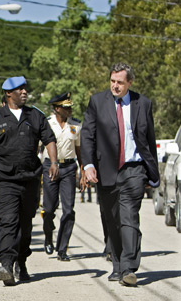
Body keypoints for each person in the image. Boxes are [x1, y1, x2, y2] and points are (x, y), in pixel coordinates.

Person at [80, 63, 159, 287]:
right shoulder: (97, 102)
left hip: (134, 169)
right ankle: (116, 264)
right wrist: (87, 165)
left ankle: (128, 268)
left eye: (120, 82)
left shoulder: (142, 103)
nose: (115, 86)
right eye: (112, 81)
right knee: (111, 219)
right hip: (105, 170)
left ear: (129, 83)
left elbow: (149, 140)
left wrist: (152, 173)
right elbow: (88, 136)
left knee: (129, 218)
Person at [0, 76, 58, 286]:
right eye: (19, 89)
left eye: (25, 89)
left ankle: (21, 261)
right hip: (5, 180)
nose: (24, 92)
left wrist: (54, 162)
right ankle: (6, 264)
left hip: (30, 179)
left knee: (25, 224)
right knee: (8, 222)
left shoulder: (35, 116)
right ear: (8, 93)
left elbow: (49, 139)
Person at [41, 92, 82, 261]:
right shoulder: (47, 124)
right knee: (49, 209)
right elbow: (37, 148)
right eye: (66, 107)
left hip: (69, 167)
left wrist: (84, 169)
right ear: (57, 109)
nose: (70, 109)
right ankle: (48, 235)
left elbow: (79, 149)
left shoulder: (76, 125)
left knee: (68, 209)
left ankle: (62, 248)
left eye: (70, 106)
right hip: (50, 167)